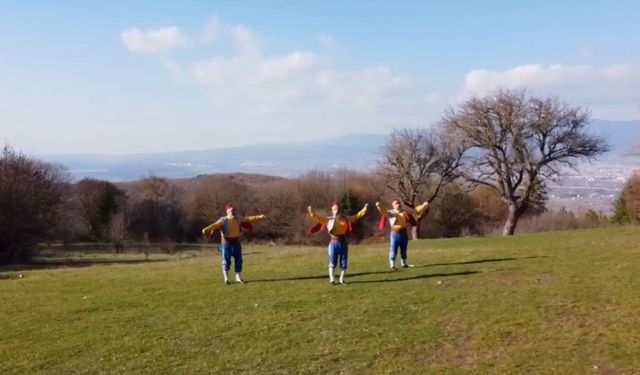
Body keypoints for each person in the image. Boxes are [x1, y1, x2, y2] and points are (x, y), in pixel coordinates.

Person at [202, 203, 266, 285]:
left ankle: (238, 278)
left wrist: (260, 217)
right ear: (227, 211)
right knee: (226, 261)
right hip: (226, 244)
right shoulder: (223, 220)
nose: (233, 212)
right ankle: (226, 279)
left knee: (238, 260)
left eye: (234, 210)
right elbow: (214, 225)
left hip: (236, 243)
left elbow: (249, 219)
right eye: (231, 210)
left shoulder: (238, 218)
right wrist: (206, 229)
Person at [307, 202, 368, 285]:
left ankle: (341, 280)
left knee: (344, 263)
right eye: (335, 209)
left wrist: (364, 209)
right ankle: (332, 280)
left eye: (338, 209)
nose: (337, 211)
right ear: (332, 211)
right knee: (332, 263)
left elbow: (356, 216)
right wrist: (311, 212)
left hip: (343, 244)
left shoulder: (346, 219)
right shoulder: (329, 219)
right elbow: (318, 218)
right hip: (333, 244)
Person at [376, 199, 429, 270]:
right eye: (395, 203)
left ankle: (404, 263)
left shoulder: (405, 212)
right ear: (393, 206)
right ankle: (392, 264)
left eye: (398, 203)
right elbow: (383, 212)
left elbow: (415, 210)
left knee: (403, 250)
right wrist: (379, 206)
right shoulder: (390, 212)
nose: (398, 204)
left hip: (403, 234)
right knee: (393, 249)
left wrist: (423, 205)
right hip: (394, 234)